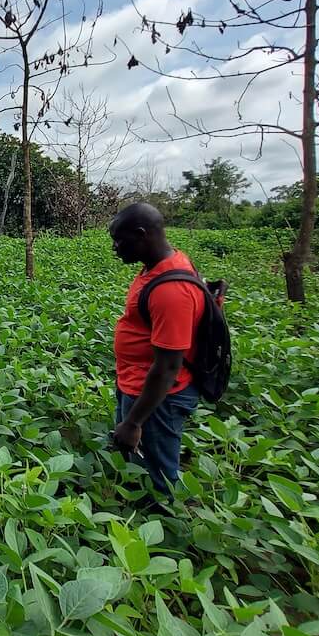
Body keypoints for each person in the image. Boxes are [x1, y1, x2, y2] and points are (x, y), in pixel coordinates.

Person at [109, 202, 222, 494]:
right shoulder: (160, 268)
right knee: (133, 461)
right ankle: (133, 508)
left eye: (120, 240)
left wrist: (134, 422)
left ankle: (164, 517)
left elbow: (168, 366)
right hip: (136, 382)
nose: (115, 248)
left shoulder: (171, 291)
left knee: (159, 474)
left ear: (142, 234)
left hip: (159, 398)